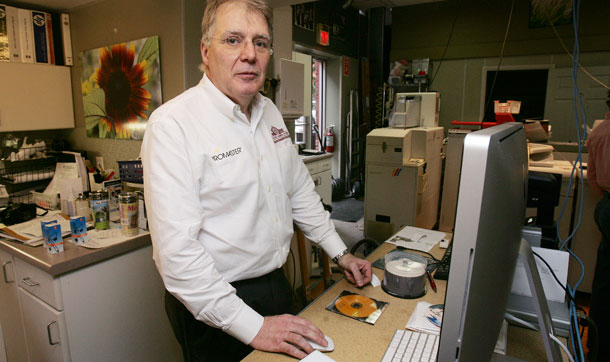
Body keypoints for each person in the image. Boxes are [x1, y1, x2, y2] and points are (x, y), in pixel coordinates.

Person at [140, 0, 372, 360]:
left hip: (274, 286)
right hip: (213, 304)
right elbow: (178, 257)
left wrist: (340, 252)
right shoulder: (173, 125)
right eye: (233, 40)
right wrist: (255, 327)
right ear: (205, 51)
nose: (250, 54)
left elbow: (299, 193)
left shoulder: (270, 112)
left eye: (260, 43)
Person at [586, 89, 610, 361]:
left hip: (606, 205)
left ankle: (596, 345)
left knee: (604, 280)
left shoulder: (599, 132)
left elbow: (593, 179)